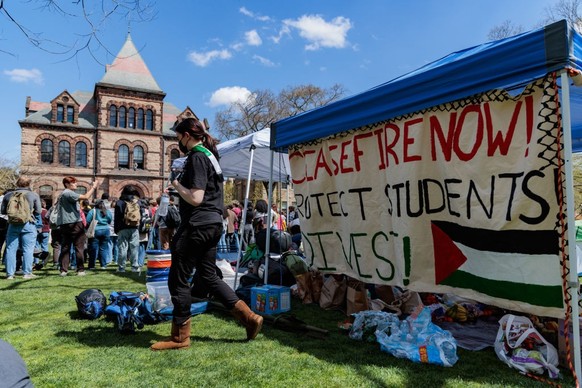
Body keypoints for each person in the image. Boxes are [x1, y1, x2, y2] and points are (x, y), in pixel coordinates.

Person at [151, 117, 262, 351]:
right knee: (209, 276)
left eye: (178, 136)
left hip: (196, 225)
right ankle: (249, 317)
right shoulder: (211, 157)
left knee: (178, 279)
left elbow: (196, 197)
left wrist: (176, 185)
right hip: (212, 224)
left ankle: (180, 338)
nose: (177, 141)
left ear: (187, 136)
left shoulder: (197, 157)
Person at [55, 176, 99, 276]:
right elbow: (86, 197)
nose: (76, 184)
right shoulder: (68, 193)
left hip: (64, 223)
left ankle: (63, 270)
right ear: (67, 184)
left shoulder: (62, 194)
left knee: (66, 247)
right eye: (73, 183)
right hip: (74, 223)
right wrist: (93, 187)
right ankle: (80, 270)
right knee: (79, 247)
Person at [0, 177, 42, 279]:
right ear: (29, 184)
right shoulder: (33, 195)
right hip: (28, 223)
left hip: (13, 224)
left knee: (10, 249)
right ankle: (26, 273)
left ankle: (10, 274)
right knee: (28, 249)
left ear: (17, 183)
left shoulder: (8, 195)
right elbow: (38, 211)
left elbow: (3, 211)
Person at [114, 185, 141, 272]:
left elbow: (117, 217)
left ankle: (122, 267)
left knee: (122, 247)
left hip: (122, 227)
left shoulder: (119, 202)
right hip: (134, 227)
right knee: (134, 248)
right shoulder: (137, 202)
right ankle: (135, 267)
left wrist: (116, 228)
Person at [86, 199, 112, 269]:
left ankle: (92, 265)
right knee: (104, 248)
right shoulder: (107, 211)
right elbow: (110, 220)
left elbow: (87, 221)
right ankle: (103, 265)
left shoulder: (92, 211)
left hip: (95, 230)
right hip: (106, 230)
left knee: (94, 249)